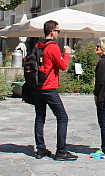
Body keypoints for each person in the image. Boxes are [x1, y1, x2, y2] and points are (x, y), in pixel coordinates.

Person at [30, 20, 78, 161]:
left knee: (40, 118)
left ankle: (40, 149)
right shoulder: (53, 47)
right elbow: (63, 66)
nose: (58, 33)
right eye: (58, 31)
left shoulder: (39, 45)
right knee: (62, 117)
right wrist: (67, 53)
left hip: (37, 86)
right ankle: (61, 151)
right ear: (52, 32)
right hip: (48, 87)